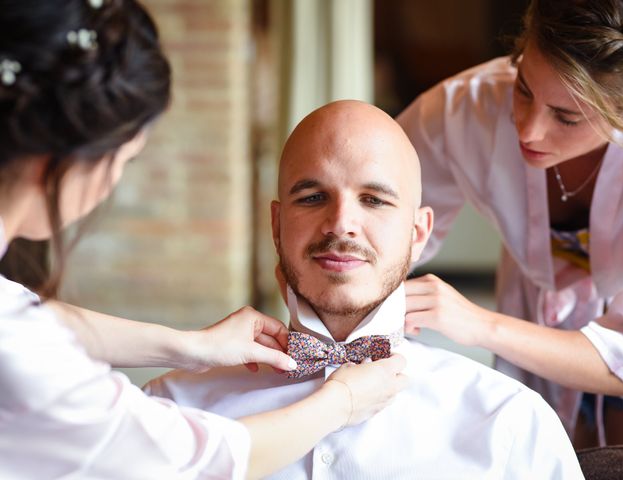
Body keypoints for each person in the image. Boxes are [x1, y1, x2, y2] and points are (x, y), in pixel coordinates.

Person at [0, 2, 408, 479]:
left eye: (375, 201)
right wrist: (342, 402)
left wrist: (188, 346)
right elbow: (192, 464)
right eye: (124, 161)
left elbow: (25, 316)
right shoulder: (161, 397)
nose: (342, 225)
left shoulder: (501, 415)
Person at [145, 100, 584, 479]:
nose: (340, 224)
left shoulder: (508, 422)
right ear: (277, 226)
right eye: (313, 197)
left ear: (418, 233)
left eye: (374, 200)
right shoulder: (172, 408)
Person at [397, 0, 623, 448]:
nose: (527, 130)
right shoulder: (463, 109)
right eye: (524, 89)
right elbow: (382, 214)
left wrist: (479, 324)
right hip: (528, 308)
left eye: (567, 117)